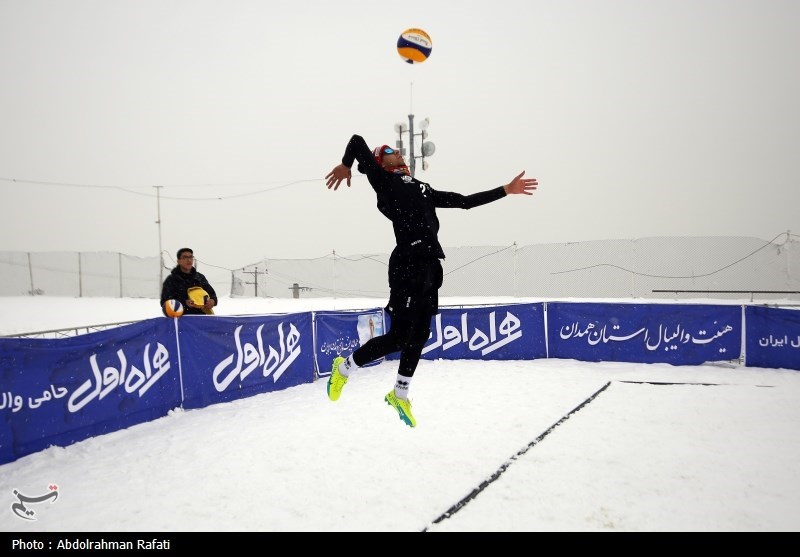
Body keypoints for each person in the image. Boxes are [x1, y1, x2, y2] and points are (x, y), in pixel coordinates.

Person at [324, 134, 538, 427]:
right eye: (389, 151)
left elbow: (464, 202)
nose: (397, 152)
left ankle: (399, 393)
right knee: (399, 337)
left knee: (421, 333)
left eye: (397, 149)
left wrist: (506, 190)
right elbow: (357, 141)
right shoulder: (383, 181)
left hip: (430, 266)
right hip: (407, 265)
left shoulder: (423, 188)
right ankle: (344, 368)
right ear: (380, 163)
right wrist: (346, 164)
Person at [160, 248, 218, 316]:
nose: (189, 260)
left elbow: (212, 295)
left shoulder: (199, 278)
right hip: (180, 321)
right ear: (178, 261)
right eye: (185, 257)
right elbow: (165, 302)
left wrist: (212, 301)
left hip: (201, 319)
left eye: (191, 257)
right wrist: (184, 303)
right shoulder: (171, 280)